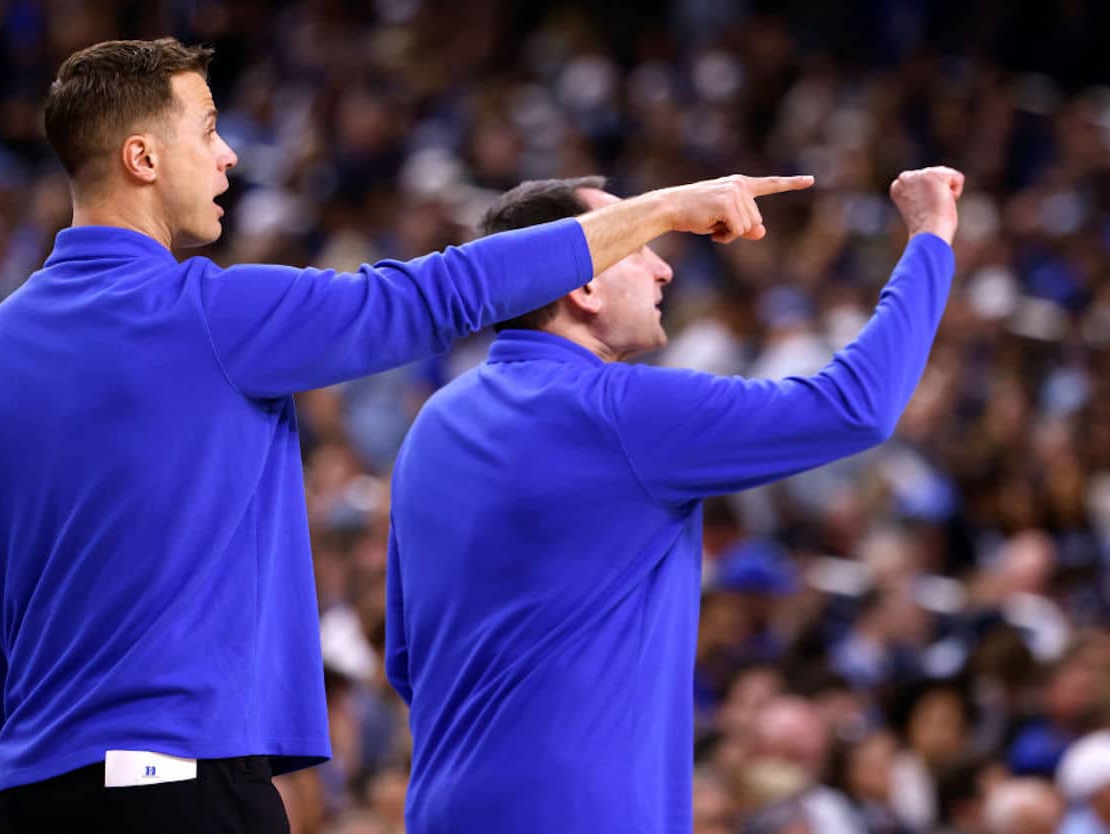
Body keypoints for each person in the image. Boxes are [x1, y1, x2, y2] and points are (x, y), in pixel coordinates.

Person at [0, 36, 813, 834]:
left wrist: (38, 760)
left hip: (33, 796)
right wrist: (657, 211)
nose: (229, 153)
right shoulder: (208, 314)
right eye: (207, 130)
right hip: (175, 787)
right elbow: (441, 295)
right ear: (141, 157)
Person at [385, 167, 963, 833]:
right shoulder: (617, 413)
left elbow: (407, 662)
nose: (663, 271)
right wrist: (931, 237)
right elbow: (855, 407)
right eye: (642, 246)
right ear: (584, 283)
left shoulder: (432, 424)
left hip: (444, 806)